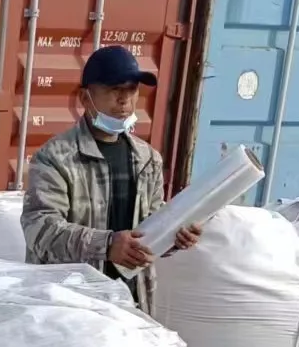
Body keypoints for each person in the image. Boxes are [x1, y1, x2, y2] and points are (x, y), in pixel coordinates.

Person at [21, 44, 199, 313]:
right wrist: (106, 245)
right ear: (85, 97)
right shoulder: (56, 158)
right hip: (67, 308)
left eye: (132, 89)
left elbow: (150, 227)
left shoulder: (148, 159)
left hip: (131, 304)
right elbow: (39, 230)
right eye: (114, 89)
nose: (125, 100)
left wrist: (174, 237)